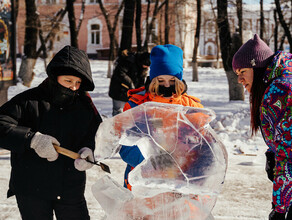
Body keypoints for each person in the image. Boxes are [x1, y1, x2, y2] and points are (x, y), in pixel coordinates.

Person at [0, 45, 102, 220]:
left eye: (78, 83)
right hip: (32, 188)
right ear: (55, 77)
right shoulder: (28, 101)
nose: (74, 87)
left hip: (70, 187)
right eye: (68, 81)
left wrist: (89, 149)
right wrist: (32, 140)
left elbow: (97, 134)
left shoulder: (84, 107)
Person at [118, 44, 204, 190]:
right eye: (160, 81)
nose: (166, 85)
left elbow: (203, 145)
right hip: (143, 181)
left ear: (179, 80)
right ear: (152, 79)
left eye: (171, 81)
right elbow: (126, 147)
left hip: (178, 183)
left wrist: (186, 157)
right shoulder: (136, 105)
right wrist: (154, 161)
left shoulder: (191, 107)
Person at [232, 34, 292, 220]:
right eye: (237, 74)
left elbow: (289, 155)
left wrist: (280, 208)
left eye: (243, 71)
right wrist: (272, 151)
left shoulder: (279, 90)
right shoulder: (281, 83)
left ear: (256, 67)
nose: (240, 80)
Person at [109, 49, 150, 116]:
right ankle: (117, 126)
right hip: (119, 90)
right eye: (145, 65)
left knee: (129, 114)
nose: (146, 67)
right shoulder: (128, 60)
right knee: (118, 112)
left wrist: (139, 91)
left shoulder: (142, 66)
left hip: (130, 93)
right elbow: (120, 73)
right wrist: (131, 84)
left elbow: (141, 80)